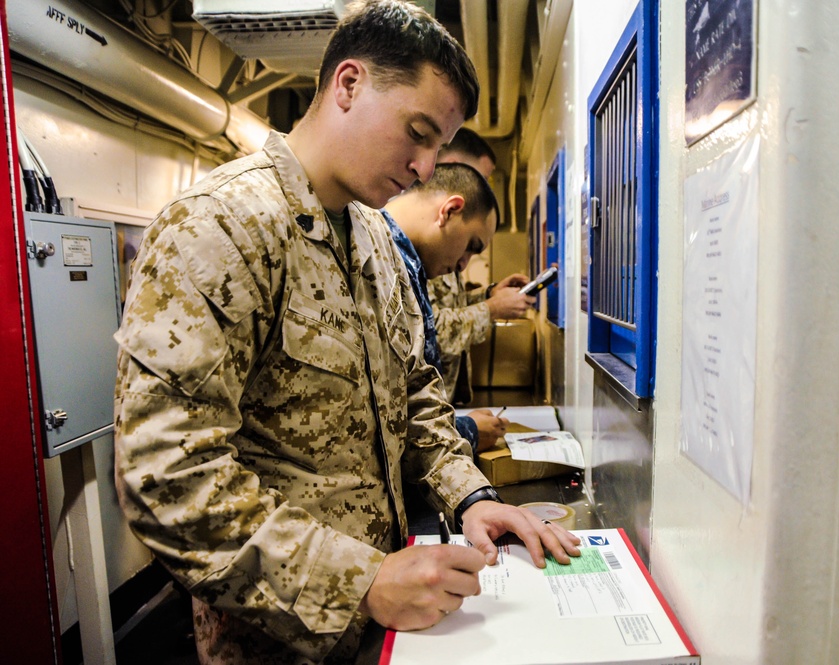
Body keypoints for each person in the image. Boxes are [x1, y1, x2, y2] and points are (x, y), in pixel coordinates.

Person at [112, 2, 579, 664]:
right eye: (416, 133)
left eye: (438, 147)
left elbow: (415, 391)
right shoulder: (220, 227)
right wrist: (357, 582)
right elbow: (165, 474)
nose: (424, 167)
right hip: (276, 638)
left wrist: (468, 493)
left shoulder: (373, 239)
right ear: (349, 84)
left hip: (388, 620)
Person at [384, 163, 507, 454]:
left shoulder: (411, 263)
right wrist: (466, 431)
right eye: (470, 245)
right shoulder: (382, 259)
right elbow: (396, 413)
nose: (464, 264)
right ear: (450, 210)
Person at [432, 129, 535, 404]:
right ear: (454, 165)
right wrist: (492, 310)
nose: (485, 190)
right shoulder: (423, 244)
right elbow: (430, 331)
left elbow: (447, 305)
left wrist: (489, 295)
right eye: (482, 178)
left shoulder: (445, 239)